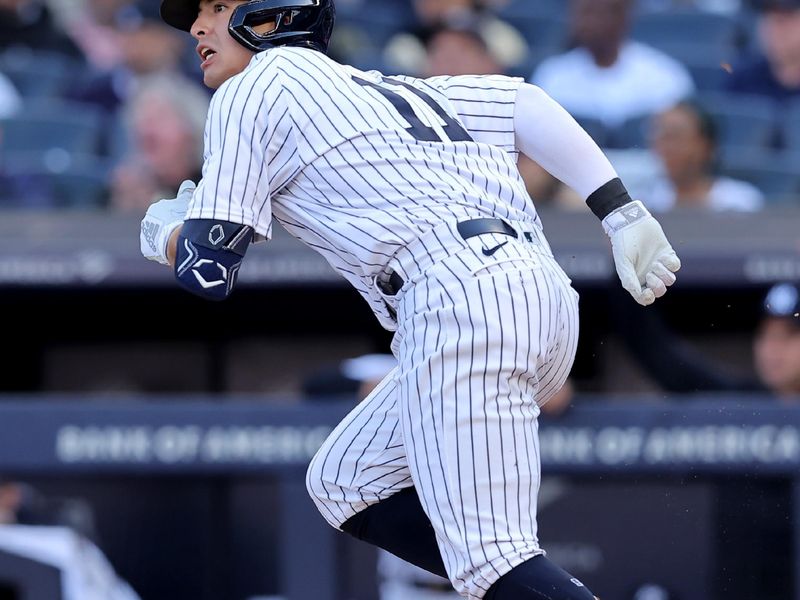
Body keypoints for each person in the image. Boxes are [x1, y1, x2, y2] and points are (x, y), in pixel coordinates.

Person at [140, 1, 681, 598]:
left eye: (217, 6)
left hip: (459, 301)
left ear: (275, 11)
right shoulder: (385, 87)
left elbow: (206, 270)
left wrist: (162, 229)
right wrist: (620, 209)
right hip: (533, 295)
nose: (196, 28)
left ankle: (512, 578)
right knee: (346, 479)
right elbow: (526, 105)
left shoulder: (254, 86)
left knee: (492, 561)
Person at [611, 281, 800, 397]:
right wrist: (627, 265)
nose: (773, 349)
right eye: (765, 336)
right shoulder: (742, 404)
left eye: (788, 336)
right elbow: (658, 353)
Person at [531, 0, 695, 130]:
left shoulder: (664, 75)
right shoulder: (552, 74)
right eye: (585, 12)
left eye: (602, 12)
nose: (590, 22)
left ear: (623, 17)